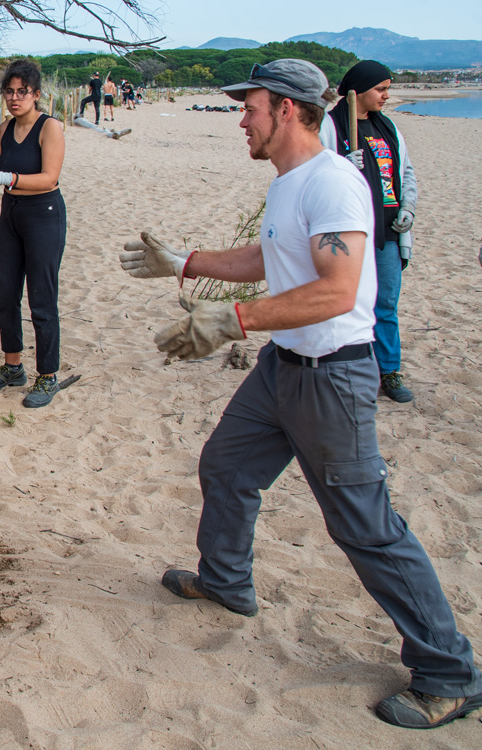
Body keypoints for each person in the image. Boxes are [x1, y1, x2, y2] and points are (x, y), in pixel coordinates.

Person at [119, 59, 481, 730]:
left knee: (364, 526)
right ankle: (226, 582)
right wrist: (187, 263)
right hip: (283, 370)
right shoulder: (290, 182)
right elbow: (270, 258)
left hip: (334, 377)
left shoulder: (334, 181)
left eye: (250, 106)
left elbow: (336, 291)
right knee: (227, 464)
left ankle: (450, 672)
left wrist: (236, 319)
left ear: (288, 109)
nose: (242, 118)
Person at [0, 58, 67, 408]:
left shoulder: (50, 127)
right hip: (11, 215)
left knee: (41, 299)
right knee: (5, 295)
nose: (14, 98)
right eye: (9, 92)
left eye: (22, 92)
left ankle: (48, 375)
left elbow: (49, 177)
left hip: (44, 214)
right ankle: (13, 367)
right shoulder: (5, 128)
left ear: (36, 94)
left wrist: (8, 178)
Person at [321, 60, 418, 403]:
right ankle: (345, 371)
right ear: (357, 91)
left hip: (388, 233)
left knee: (386, 305)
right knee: (345, 302)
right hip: (349, 234)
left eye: (388, 88)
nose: (387, 96)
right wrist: (340, 166)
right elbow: (313, 172)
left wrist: (407, 209)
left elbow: (405, 173)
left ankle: (389, 371)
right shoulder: (330, 127)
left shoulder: (388, 127)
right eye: (381, 89)